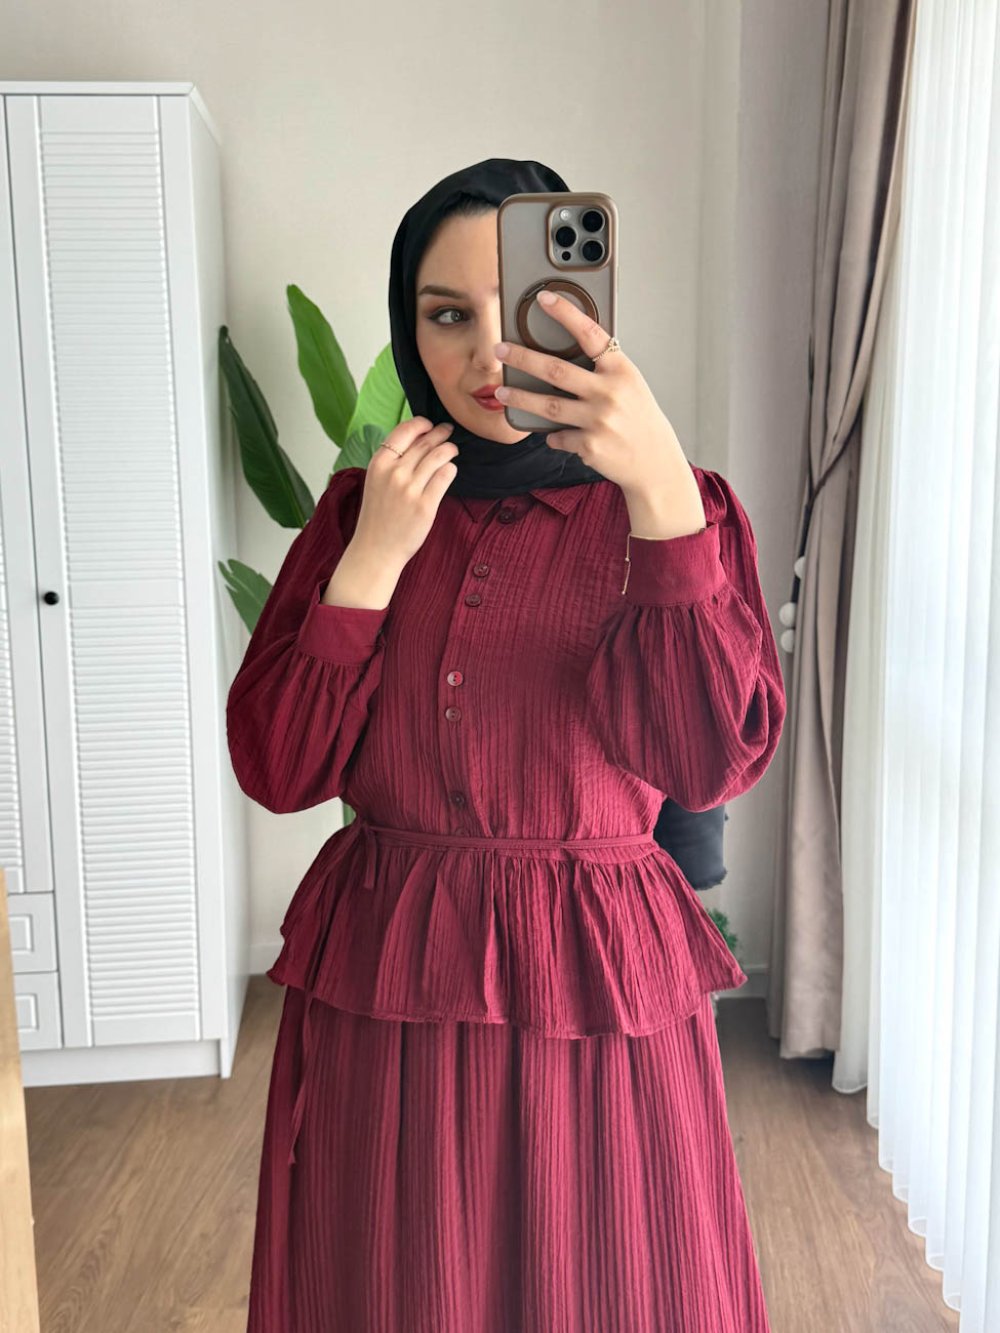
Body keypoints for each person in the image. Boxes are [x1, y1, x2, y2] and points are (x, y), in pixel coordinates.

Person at [228, 157, 786, 1333]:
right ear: (407, 326)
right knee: (396, 1284)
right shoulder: (359, 514)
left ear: (582, 310)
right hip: (392, 969)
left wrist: (660, 499)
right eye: (446, 315)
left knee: (613, 1279)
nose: (488, 352)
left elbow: (708, 760)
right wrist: (372, 562)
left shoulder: (676, 507)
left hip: (597, 977)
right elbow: (278, 768)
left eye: (525, 307)